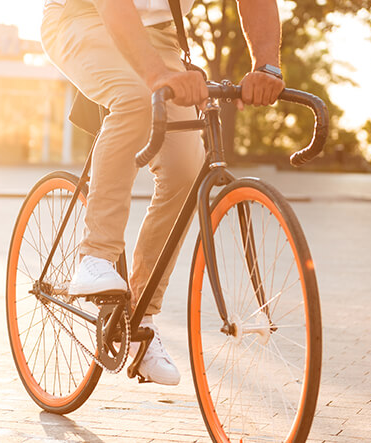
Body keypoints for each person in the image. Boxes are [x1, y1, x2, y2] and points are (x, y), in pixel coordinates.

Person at [39, 0, 285, 385]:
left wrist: (267, 65)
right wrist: (155, 74)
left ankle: (140, 322)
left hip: (163, 35)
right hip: (83, 18)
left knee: (188, 168)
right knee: (135, 98)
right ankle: (95, 256)